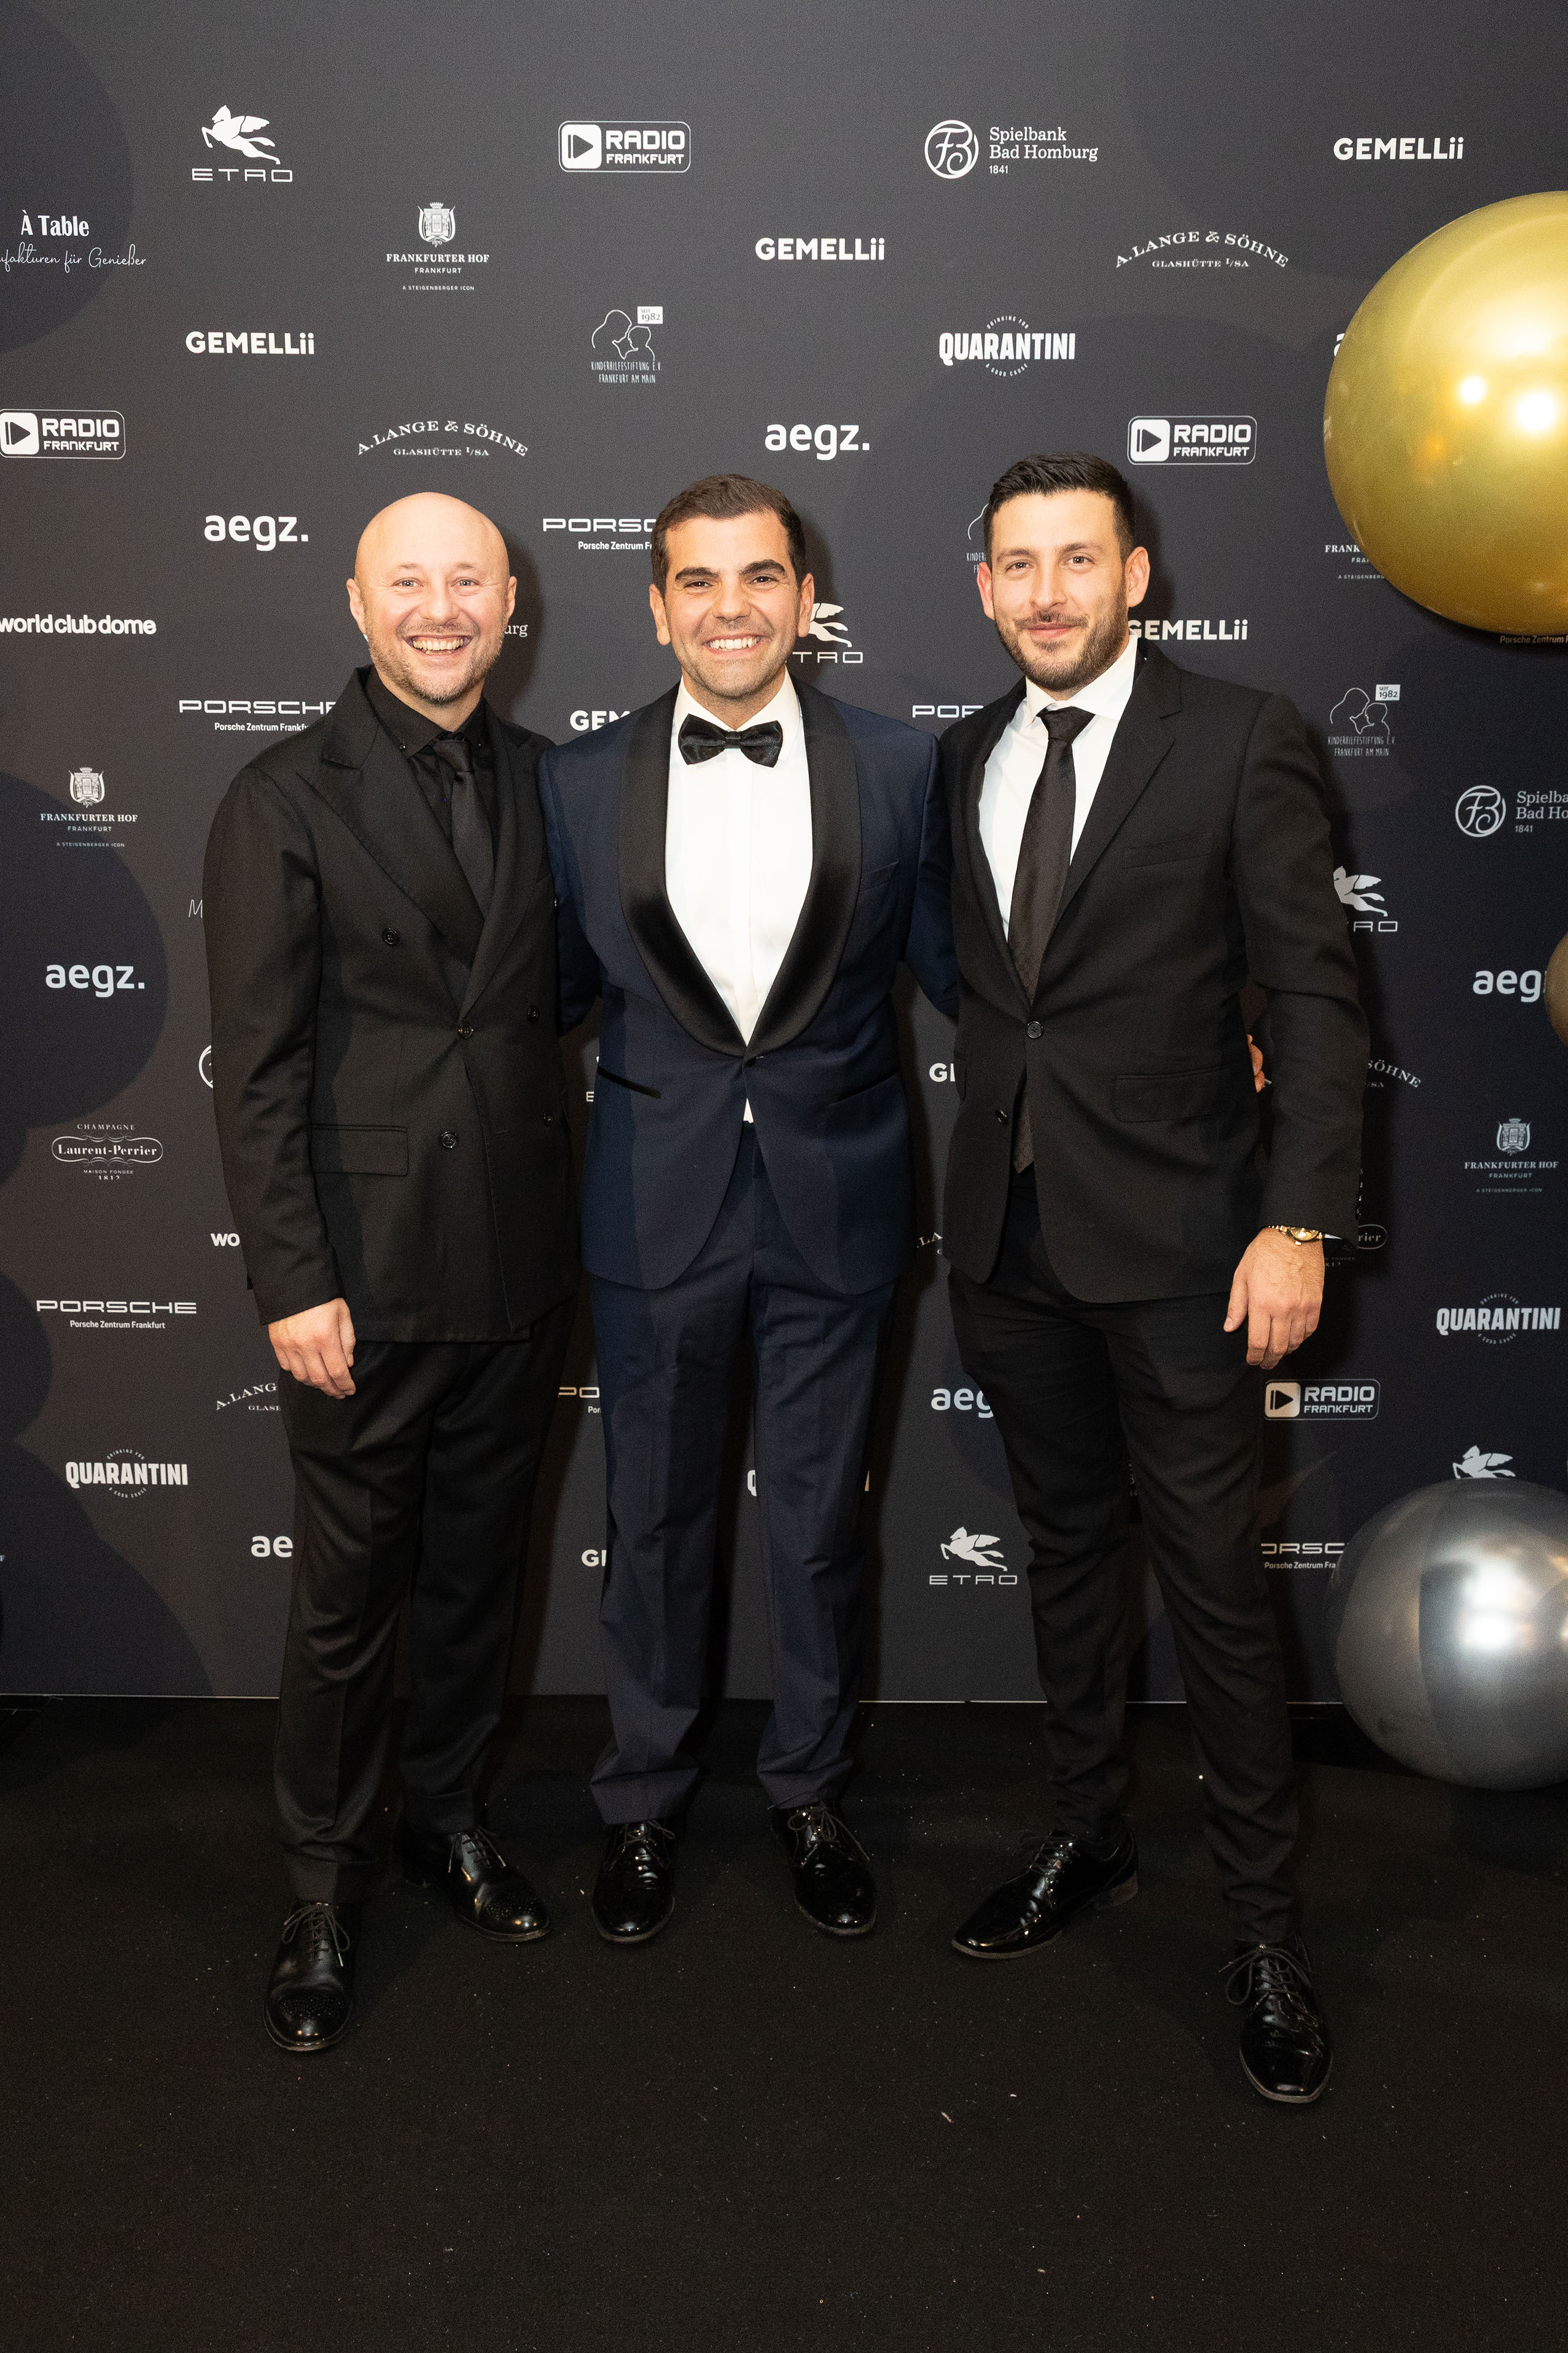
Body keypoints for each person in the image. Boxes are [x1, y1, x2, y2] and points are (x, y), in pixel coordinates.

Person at [937, 453, 1366, 2105]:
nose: (1046, 591)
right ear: (985, 587)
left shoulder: (1243, 736)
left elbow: (1312, 997)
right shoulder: (964, 753)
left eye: (1077, 559)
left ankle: (1261, 1927)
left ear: (1135, 575)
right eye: (1017, 564)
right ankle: (1087, 1831)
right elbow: (998, 994)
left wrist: (1298, 1217)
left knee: (1212, 1587)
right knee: (1063, 1557)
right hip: (1008, 1240)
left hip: (1189, 1242)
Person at [540, 475, 958, 1945]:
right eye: (699, 582)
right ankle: (644, 1798)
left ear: (804, 598)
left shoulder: (900, 767)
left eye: (760, 577)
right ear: (658, 607)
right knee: (651, 1523)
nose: (732, 608)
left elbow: (980, 972)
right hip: (651, 1204)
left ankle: (808, 1787)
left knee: (820, 1528)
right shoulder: (575, 780)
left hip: (836, 1199)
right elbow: (545, 991)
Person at [203, 493, 577, 2054]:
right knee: (349, 1601)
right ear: (356, 606)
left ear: (511, 603)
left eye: (466, 581)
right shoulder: (282, 796)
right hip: (357, 1278)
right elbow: (258, 1072)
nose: (440, 608)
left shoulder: (554, 782)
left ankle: (444, 1818)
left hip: (519, 1259)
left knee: (478, 1576)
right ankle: (319, 1881)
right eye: (406, 582)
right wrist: (293, 1279)